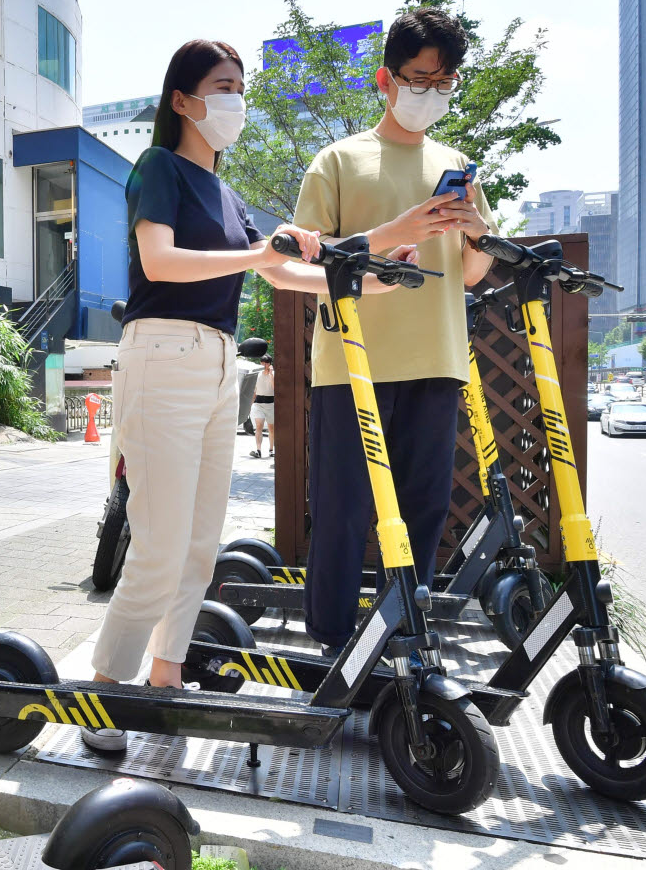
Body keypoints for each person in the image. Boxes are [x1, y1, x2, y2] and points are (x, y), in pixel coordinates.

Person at [84, 38, 412, 752]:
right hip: (162, 350)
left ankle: (164, 678)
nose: (236, 99)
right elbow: (159, 261)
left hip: (215, 362)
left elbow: (282, 273)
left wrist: (373, 278)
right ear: (183, 100)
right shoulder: (159, 167)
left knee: (199, 542)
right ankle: (108, 688)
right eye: (223, 86)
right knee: (161, 540)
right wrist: (264, 254)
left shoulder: (228, 196)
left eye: (240, 86)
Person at [293, 7, 499, 657]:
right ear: (385, 78)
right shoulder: (338, 160)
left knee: (421, 512)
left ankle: (402, 634)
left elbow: (472, 272)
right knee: (342, 511)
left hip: (436, 360)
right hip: (351, 365)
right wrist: (397, 232)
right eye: (419, 80)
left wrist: (470, 229)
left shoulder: (455, 163)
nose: (430, 95)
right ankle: (330, 642)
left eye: (443, 85)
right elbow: (303, 257)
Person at [250, 354, 275, 458]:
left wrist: (271, 376)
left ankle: (271, 449)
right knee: (259, 426)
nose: (265, 365)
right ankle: (258, 450)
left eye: (267, 363)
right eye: (263, 363)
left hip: (271, 403)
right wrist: (250, 404)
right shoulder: (258, 374)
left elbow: (275, 388)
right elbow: (254, 391)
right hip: (258, 403)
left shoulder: (273, 374)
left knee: (271, 428)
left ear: (270, 364)